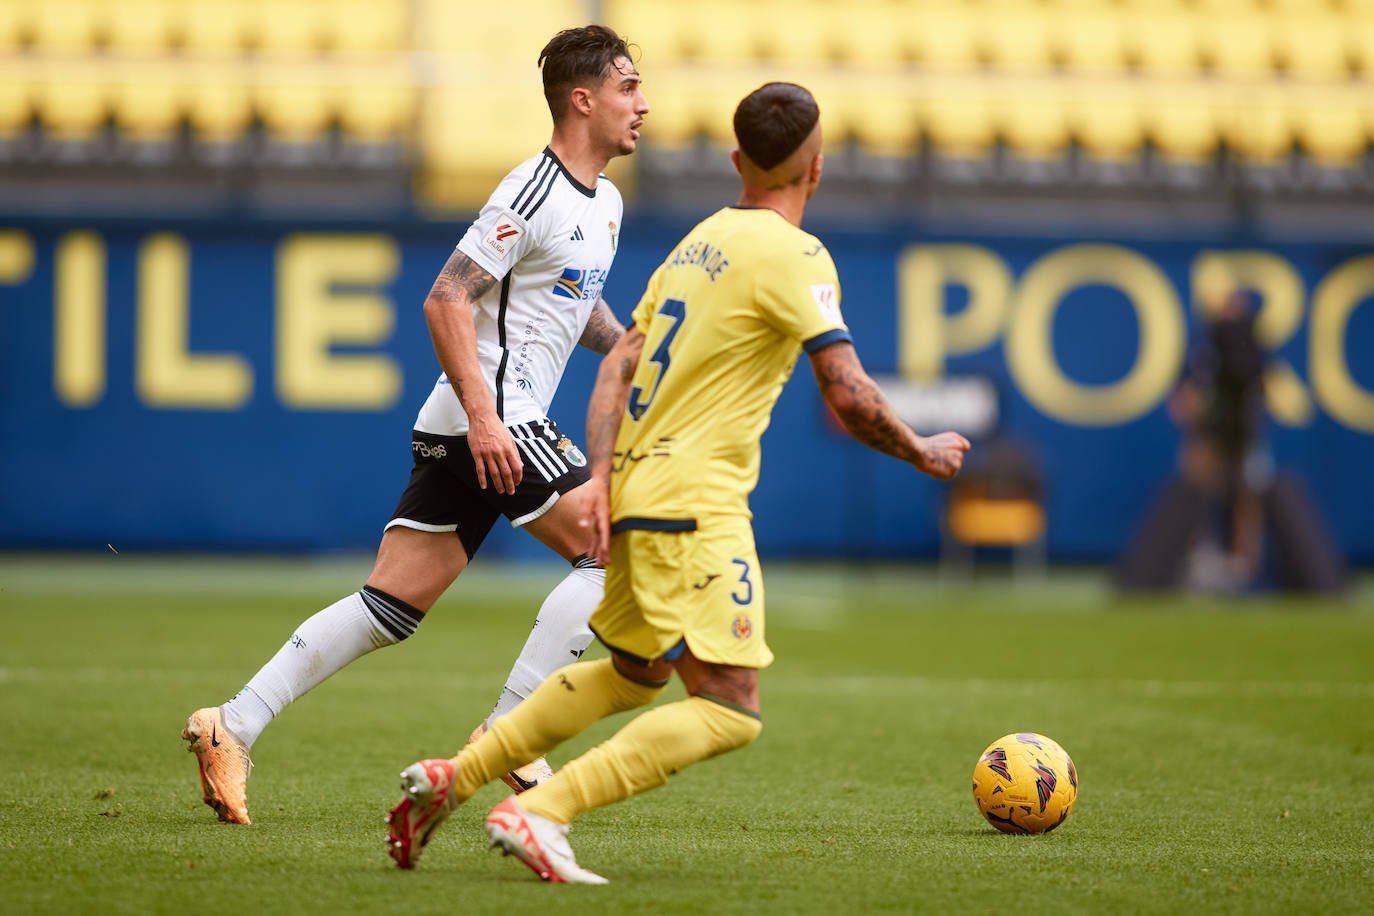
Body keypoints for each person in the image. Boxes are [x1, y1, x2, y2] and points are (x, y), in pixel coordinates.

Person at [382, 81, 971, 883]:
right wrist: (922, 451)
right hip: (697, 506)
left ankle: (458, 776)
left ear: (738, 161)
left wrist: (601, 478)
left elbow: (618, 363)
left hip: (640, 497)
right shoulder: (797, 256)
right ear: (817, 168)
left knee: (633, 676)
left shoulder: (696, 245)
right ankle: (539, 811)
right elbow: (849, 391)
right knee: (729, 707)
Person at [180, 24, 650, 825]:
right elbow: (445, 296)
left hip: (474, 421)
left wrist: (633, 340)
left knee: (389, 605)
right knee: (613, 551)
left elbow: (567, 297)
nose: (644, 104)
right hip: (495, 418)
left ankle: (234, 723)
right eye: (629, 87)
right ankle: (511, 732)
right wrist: (486, 419)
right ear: (583, 99)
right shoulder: (532, 188)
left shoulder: (601, 201)